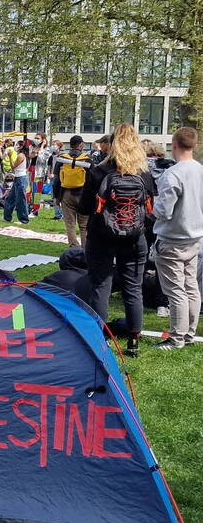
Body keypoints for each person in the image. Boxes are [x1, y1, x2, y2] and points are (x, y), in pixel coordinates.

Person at [78, 124, 156, 357]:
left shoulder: (98, 171)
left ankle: (101, 340)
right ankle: (134, 341)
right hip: (134, 237)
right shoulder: (144, 174)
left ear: (112, 145)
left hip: (101, 235)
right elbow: (150, 207)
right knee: (133, 288)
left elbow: (84, 207)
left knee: (101, 286)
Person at [152, 127, 203, 350]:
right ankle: (189, 333)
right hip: (194, 237)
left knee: (176, 290)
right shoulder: (200, 170)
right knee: (191, 286)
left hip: (172, 238)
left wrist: (152, 203)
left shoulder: (172, 174)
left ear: (174, 145)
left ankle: (177, 338)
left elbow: (164, 211)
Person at [52, 135, 91, 248]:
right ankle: (85, 248)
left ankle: (74, 247)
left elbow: (56, 180)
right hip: (83, 194)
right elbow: (92, 179)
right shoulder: (87, 159)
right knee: (84, 225)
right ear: (81, 145)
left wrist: (57, 197)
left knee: (70, 224)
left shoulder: (62, 158)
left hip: (66, 194)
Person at [2, 139, 30, 224]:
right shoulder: (20, 154)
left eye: (17, 145)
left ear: (21, 146)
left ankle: (24, 220)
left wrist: (10, 156)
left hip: (21, 179)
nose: (15, 146)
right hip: (17, 178)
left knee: (21, 200)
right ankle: (7, 217)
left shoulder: (21, 155)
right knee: (10, 198)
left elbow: (13, 166)